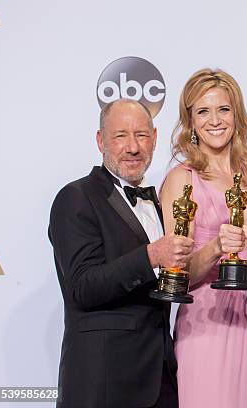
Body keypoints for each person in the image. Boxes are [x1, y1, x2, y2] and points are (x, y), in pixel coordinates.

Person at [49, 98, 194, 408]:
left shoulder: (157, 203)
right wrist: (152, 255)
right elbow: (83, 287)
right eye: (120, 136)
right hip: (103, 384)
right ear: (101, 140)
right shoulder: (75, 198)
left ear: (154, 138)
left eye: (141, 135)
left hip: (159, 380)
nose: (133, 147)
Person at [159, 68, 247, 408]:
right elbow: (178, 274)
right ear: (190, 122)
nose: (215, 120)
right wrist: (217, 247)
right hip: (208, 323)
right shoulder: (182, 179)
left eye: (224, 109)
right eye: (203, 111)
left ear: (237, 114)